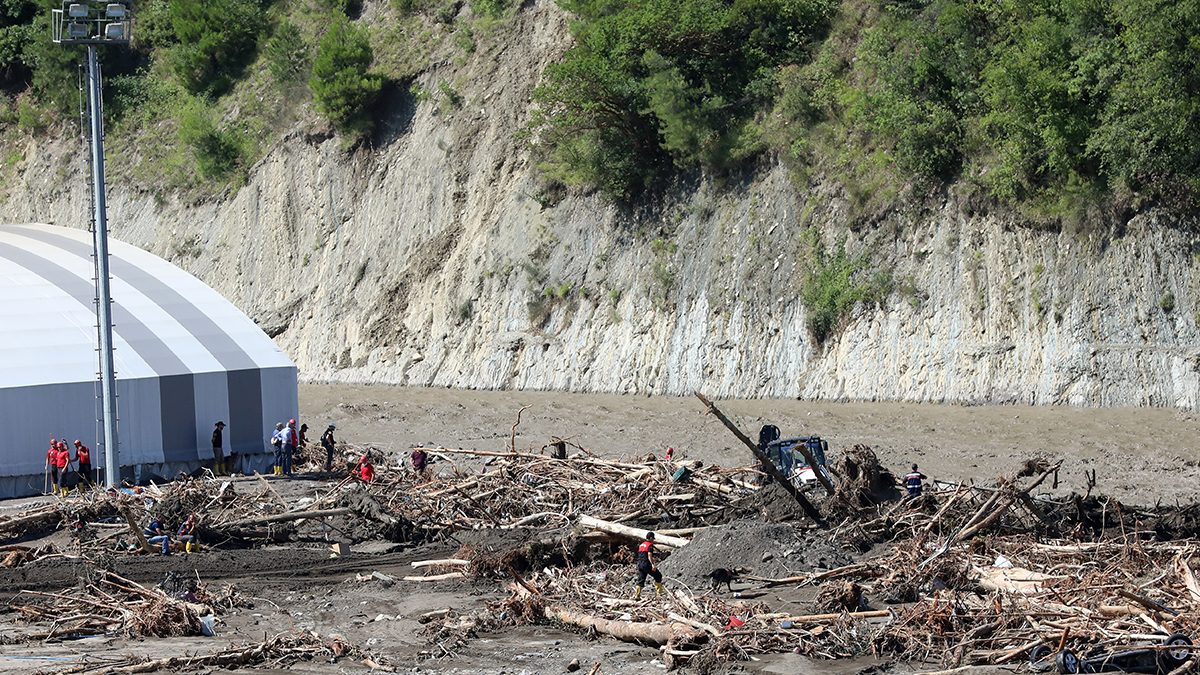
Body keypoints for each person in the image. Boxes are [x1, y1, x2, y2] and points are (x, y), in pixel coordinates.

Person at [634, 531, 663, 599]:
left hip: (640, 564)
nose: (653, 540)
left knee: (641, 579)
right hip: (646, 564)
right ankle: (660, 593)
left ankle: (637, 596)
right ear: (650, 538)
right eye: (653, 538)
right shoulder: (650, 545)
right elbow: (649, 554)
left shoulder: (641, 545)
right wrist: (652, 564)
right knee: (658, 575)